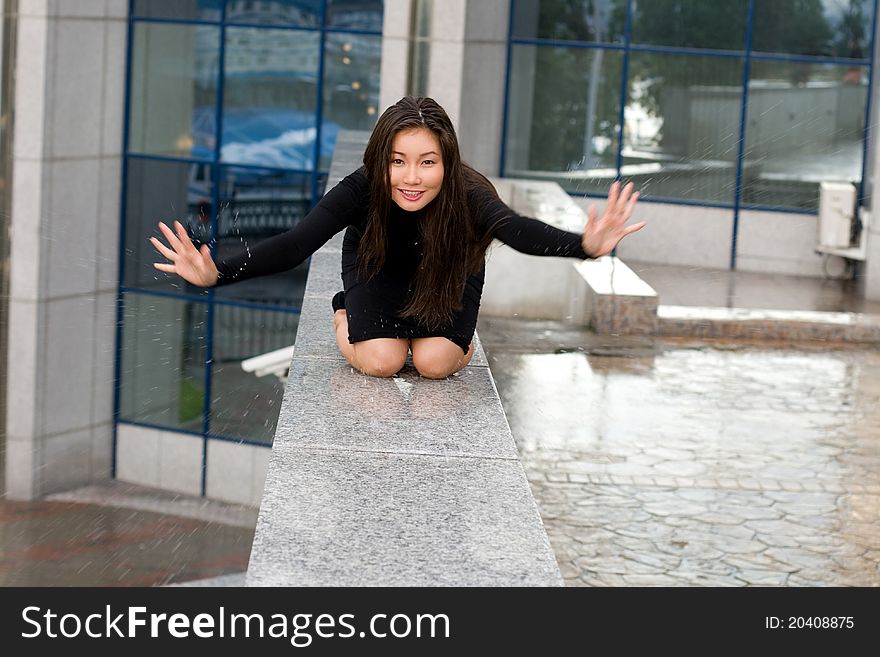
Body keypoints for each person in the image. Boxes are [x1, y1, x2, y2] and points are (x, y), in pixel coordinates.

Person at [151, 96, 644, 379]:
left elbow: (515, 229)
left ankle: (454, 340)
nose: (412, 178)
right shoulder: (361, 188)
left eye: (427, 162)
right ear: (381, 157)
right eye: (398, 161)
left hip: (449, 275)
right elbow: (297, 242)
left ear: (446, 161)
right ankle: (346, 313)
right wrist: (218, 271)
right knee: (383, 362)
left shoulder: (469, 192)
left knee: (433, 364)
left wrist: (584, 245)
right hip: (375, 267)